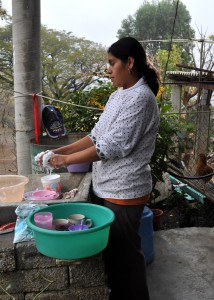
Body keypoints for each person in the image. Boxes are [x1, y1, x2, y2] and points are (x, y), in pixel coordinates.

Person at [42, 37, 160, 300]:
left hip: (125, 191)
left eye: (112, 63)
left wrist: (64, 162)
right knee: (115, 256)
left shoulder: (141, 98)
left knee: (126, 257)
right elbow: (96, 136)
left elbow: (112, 146)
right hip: (106, 187)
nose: (108, 69)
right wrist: (58, 152)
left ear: (129, 63)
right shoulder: (118, 95)